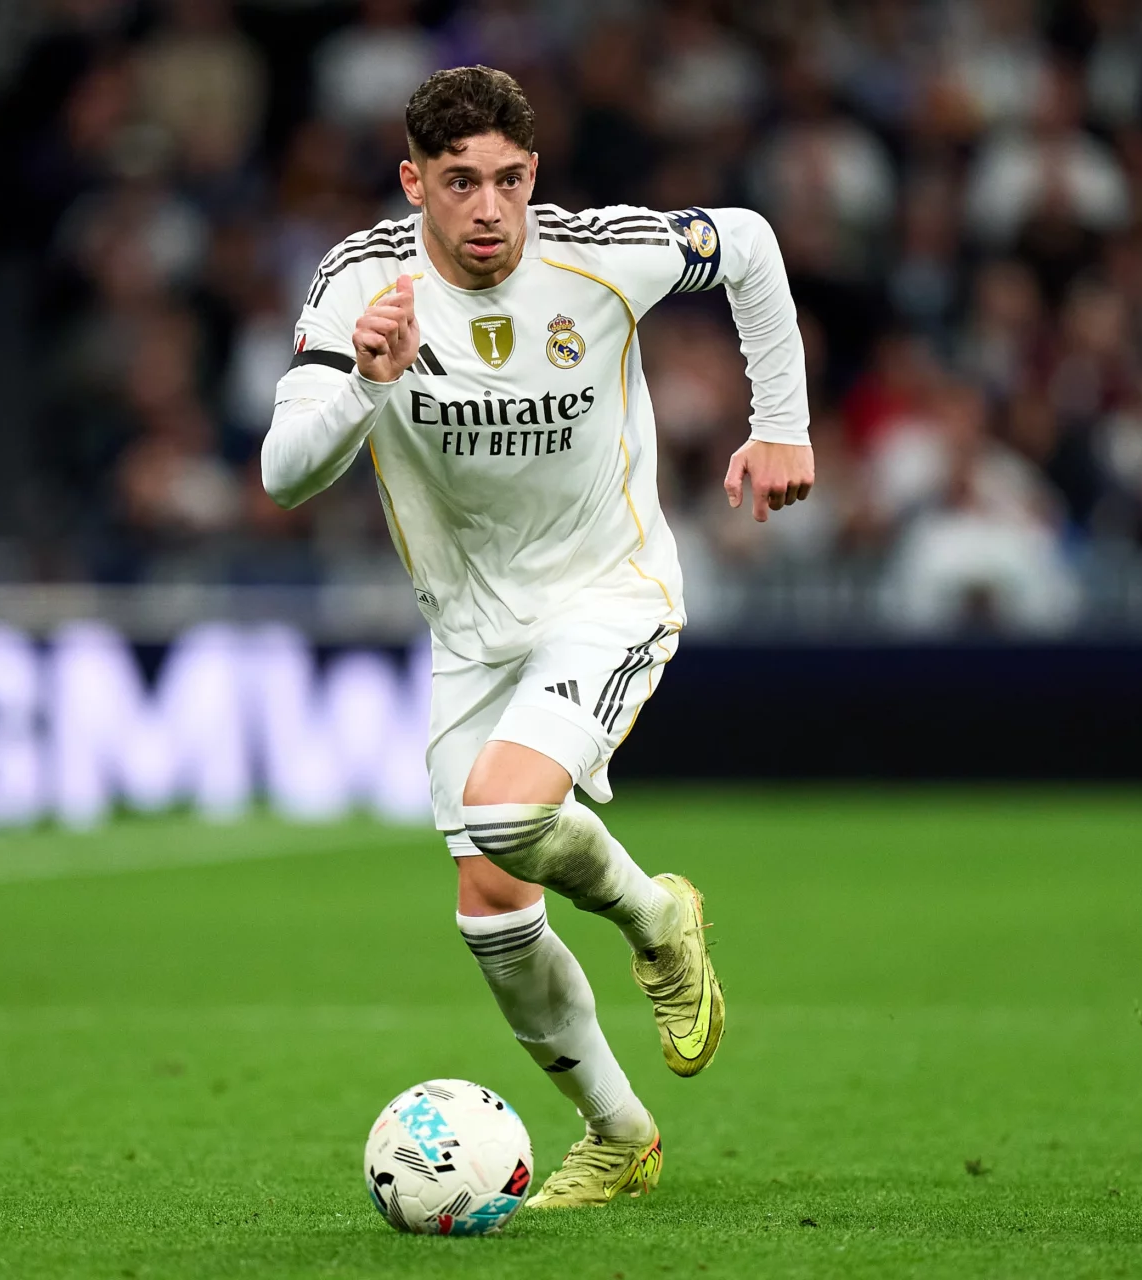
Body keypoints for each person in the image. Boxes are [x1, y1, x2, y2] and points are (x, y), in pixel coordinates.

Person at [262, 66, 812, 1209]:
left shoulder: (599, 255)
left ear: (534, 178)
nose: (488, 210)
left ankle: (660, 917)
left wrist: (781, 425)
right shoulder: (366, 283)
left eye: (509, 180)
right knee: (490, 909)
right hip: (468, 628)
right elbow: (283, 474)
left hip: (605, 592)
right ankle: (619, 1133)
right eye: (459, 182)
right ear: (414, 180)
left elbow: (750, 244)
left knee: (512, 813)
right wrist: (367, 378)